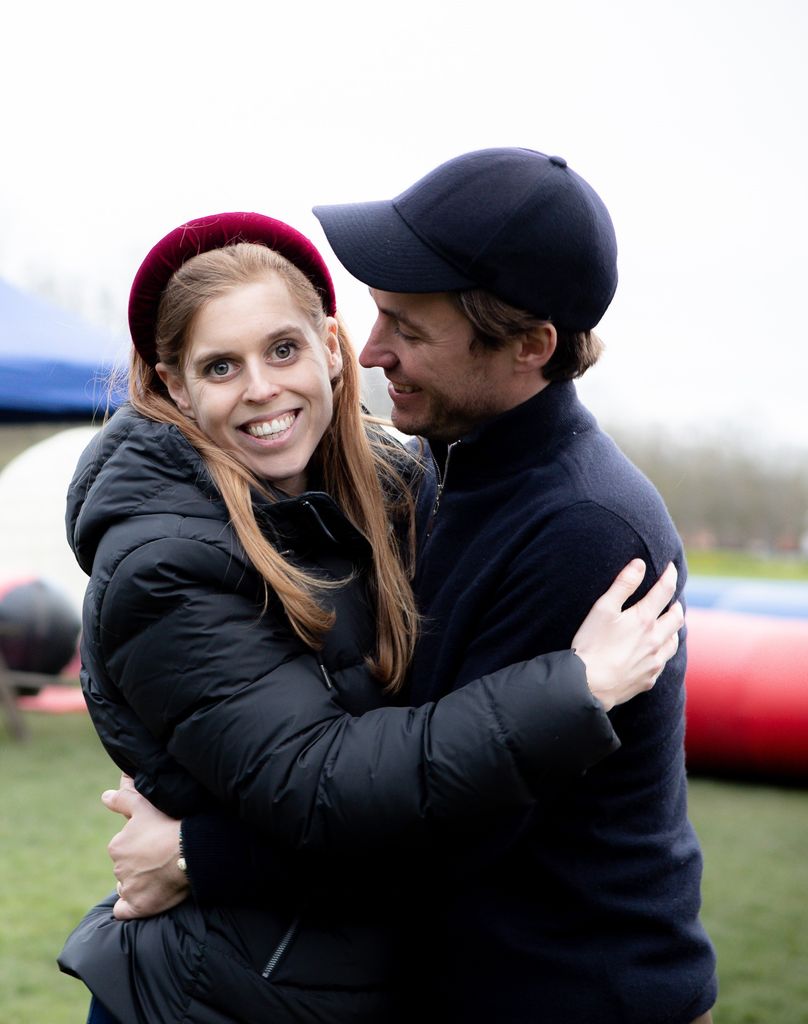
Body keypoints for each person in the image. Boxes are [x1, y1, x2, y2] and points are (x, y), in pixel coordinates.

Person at [58, 210, 682, 1024]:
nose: (261, 388)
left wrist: (193, 853)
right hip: (223, 995)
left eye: (282, 349)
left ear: (327, 345)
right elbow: (321, 781)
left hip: (330, 977)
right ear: (174, 386)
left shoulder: (392, 479)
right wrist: (574, 689)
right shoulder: (162, 562)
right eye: (219, 366)